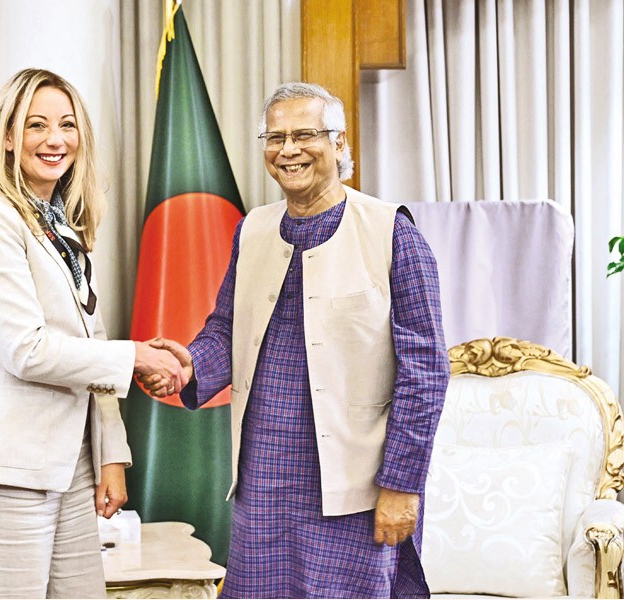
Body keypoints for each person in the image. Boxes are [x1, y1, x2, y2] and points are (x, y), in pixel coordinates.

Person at [142, 82, 450, 598]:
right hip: (262, 484)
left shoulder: (392, 233)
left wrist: (402, 486)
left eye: (305, 134)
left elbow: (426, 372)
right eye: (275, 137)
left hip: (356, 492)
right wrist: (191, 365)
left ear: (339, 144)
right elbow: (226, 328)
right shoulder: (253, 229)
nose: (288, 150)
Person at [0, 68, 186, 599]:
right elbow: (26, 351)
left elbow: (89, 348)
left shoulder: (62, 226)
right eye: (36, 125)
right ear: (7, 137)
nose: (55, 140)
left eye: (67, 125)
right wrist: (137, 358)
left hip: (70, 466)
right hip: (8, 469)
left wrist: (110, 456)